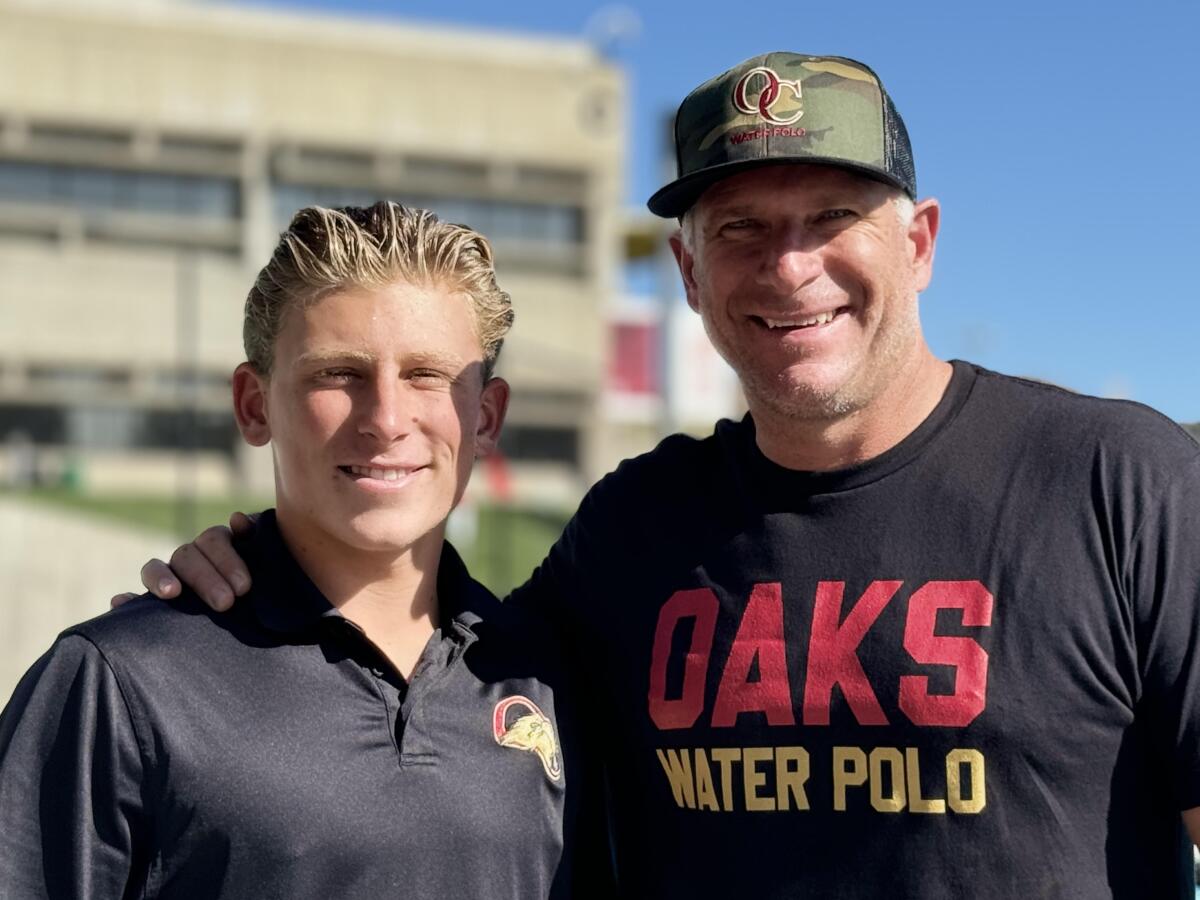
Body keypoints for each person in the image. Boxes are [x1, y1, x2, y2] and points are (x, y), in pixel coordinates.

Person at [130, 53, 1200, 897]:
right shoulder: (636, 528)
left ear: (918, 244)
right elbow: (426, 654)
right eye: (740, 228)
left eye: (833, 217)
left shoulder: (1122, 484)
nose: (788, 265)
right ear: (689, 271)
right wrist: (252, 571)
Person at [0, 202, 596, 898]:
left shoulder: (548, 681)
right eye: (338, 373)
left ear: (485, 417)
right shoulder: (121, 685)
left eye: (426, 374)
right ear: (255, 406)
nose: (387, 419)